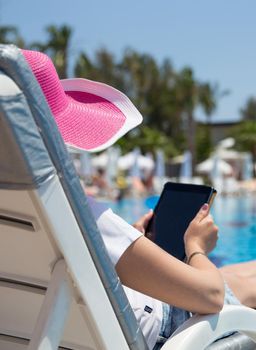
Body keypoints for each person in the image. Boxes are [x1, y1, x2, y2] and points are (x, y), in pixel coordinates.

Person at [21, 48, 256, 350]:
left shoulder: (21, 207)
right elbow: (211, 296)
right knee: (246, 285)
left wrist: (127, 240)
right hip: (164, 324)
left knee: (241, 270)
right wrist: (196, 247)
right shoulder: (70, 209)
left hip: (69, 323)